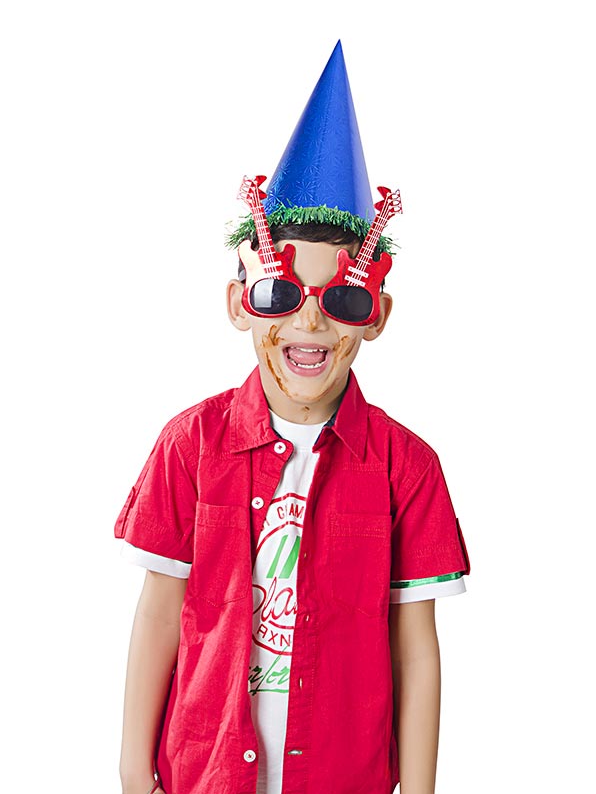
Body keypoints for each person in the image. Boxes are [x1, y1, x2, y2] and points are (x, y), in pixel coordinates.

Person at [115, 42, 470, 794]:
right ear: (239, 304)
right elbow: (160, 611)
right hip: (205, 772)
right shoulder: (190, 445)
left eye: (341, 300)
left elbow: (416, 647)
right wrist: (129, 766)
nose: (309, 325)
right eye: (280, 295)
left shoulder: (407, 466)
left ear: (375, 317)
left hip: (347, 772)